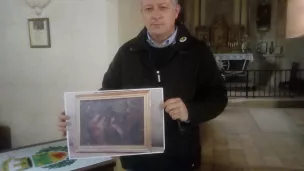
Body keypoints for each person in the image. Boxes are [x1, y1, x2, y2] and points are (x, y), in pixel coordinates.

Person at [58, 0, 228, 170]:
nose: (155, 15)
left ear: (176, 12)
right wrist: (79, 119)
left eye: (162, 7)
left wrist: (189, 111)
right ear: (142, 14)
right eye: (148, 9)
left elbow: (218, 97)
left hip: (180, 156)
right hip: (137, 160)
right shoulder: (127, 52)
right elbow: (107, 96)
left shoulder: (197, 52)